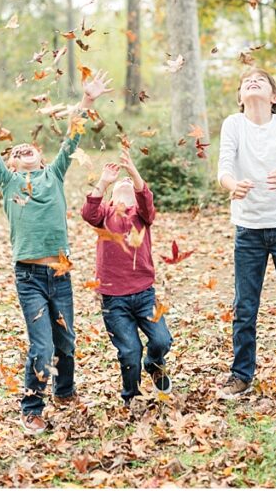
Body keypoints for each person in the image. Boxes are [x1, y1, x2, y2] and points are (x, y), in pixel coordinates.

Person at [0, 72, 112, 434]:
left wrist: (88, 102)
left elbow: (73, 137)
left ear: (40, 157)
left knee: (66, 342)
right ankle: (32, 406)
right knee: (42, 343)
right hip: (29, 276)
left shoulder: (55, 175)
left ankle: (64, 392)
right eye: (15, 152)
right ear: (13, 165)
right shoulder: (9, 181)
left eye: (27, 148)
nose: (21, 150)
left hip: (61, 273)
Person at [214, 67, 276, 404]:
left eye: (261, 80)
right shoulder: (234, 125)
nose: (252, 82)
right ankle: (241, 375)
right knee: (245, 307)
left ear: (274, 97)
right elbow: (224, 170)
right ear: (241, 97)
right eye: (246, 82)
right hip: (249, 231)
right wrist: (234, 186)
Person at [81, 148, 172, 411]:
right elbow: (88, 212)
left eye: (128, 185)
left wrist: (132, 172)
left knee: (161, 340)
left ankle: (154, 363)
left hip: (144, 294)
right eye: (119, 184)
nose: (124, 184)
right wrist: (104, 182)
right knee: (129, 351)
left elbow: (146, 199)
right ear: (110, 197)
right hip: (114, 299)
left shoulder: (142, 216)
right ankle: (131, 395)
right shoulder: (104, 216)